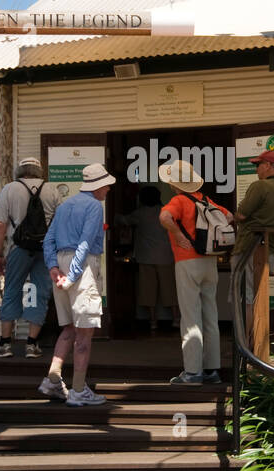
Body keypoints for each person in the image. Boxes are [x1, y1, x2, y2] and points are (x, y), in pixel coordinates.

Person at [38, 163, 116, 406]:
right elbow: (85, 243)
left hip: (60, 263)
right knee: (84, 333)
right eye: (107, 186)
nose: (108, 190)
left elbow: (48, 240)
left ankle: (53, 378)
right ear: (99, 186)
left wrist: (53, 268)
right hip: (82, 267)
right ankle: (79, 389)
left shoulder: (65, 205)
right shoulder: (94, 206)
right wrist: (73, 275)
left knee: (69, 328)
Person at [158, 159, 232, 385]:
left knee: (190, 317)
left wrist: (179, 236)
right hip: (209, 262)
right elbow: (228, 217)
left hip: (187, 261)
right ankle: (212, 370)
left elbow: (164, 217)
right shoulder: (207, 201)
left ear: (174, 184)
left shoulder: (178, 200)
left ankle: (192, 372)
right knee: (210, 316)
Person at [0, 157, 61, 358]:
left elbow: (0, 225)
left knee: (12, 290)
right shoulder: (51, 190)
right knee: (39, 292)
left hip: (18, 249)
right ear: (39, 171)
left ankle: (4, 344)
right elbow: (60, 222)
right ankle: (31, 344)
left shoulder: (10, 189)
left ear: (20, 170)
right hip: (44, 250)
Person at [114, 185, 176, 333]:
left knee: (148, 292)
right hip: (166, 257)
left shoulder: (140, 214)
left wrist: (113, 213)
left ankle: (153, 321)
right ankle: (176, 319)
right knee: (170, 290)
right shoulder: (166, 211)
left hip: (146, 257)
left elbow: (123, 220)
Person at [233, 148, 274, 280]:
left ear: (268, 165)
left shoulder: (259, 186)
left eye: (258, 165)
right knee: (260, 294)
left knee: (246, 295)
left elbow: (241, 214)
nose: (256, 169)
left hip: (249, 248)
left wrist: (234, 217)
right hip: (272, 251)